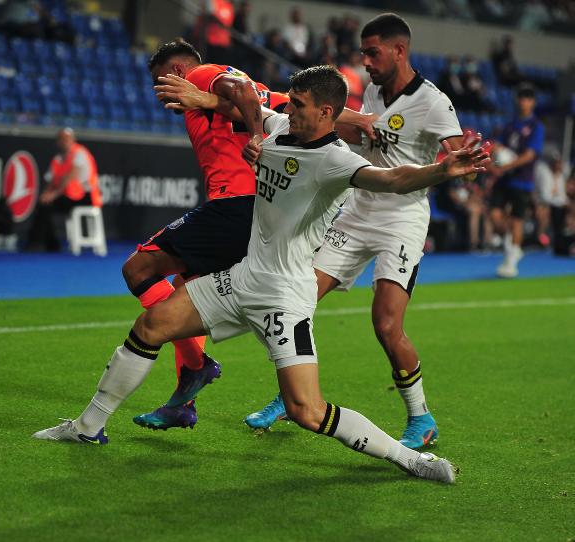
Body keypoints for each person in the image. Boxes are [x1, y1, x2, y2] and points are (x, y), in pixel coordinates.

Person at [33, 65, 490, 485]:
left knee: (307, 410)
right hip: (242, 277)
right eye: (288, 101)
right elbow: (247, 99)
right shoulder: (278, 128)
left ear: (326, 112)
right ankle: (87, 427)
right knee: (150, 326)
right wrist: (206, 98)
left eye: (298, 105)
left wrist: (442, 170)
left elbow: (393, 180)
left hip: (285, 297)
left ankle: (410, 459)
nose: (287, 111)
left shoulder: (337, 160)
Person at [245, 13, 471, 450]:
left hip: (401, 219)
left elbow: (456, 157)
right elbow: (355, 128)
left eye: (373, 52)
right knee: (296, 300)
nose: (365, 60)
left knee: (386, 324)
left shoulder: (433, 102)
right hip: (356, 210)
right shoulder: (372, 91)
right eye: (364, 52)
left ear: (399, 51)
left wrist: (463, 165)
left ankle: (421, 417)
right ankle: (293, 394)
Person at [121, 39, 288, 432]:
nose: (159, 93)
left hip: (235, 206)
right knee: (184, 290)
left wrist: (256, 136)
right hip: (263, 209)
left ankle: (197, 367)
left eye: (160, 82)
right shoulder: (253, 87)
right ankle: (184, 402)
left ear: (177, 72)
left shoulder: (201, 75)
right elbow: (286, 107)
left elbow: (240, 93)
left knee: (138, 269)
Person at [489, 83, 544, 278]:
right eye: (521, 98)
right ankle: (510, 246)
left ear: (533, 103)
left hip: (522, 180)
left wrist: (505, 166)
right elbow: (499, 145)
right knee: (495, 215)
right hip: (504, 179)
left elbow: (530, 155)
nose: (524, 102)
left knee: (517, 221)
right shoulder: (510, 124)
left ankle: (511, 262)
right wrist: (496, 152)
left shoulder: (536, 126)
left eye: (528, 99)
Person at [25, 128, 101, 252]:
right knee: (44, 204)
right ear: (57, 142)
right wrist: (46, 194)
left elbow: (70, 177)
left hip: (85, 196)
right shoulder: (58, 158)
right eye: (61, 139)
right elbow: (50, 180)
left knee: (48, 204)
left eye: (67, 139)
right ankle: (49, 244)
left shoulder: (80, 153)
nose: (64, 142)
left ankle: (38, 243)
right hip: (67, 196)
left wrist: (53, 195)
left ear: (73, 140)